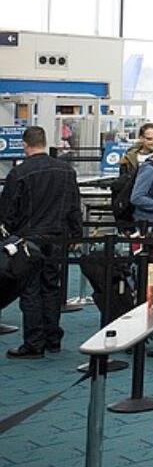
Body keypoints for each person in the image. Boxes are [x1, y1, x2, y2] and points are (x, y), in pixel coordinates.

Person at [1, 126, 82, 359]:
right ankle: (53, 338)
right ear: (45, 142)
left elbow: (8, 211)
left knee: (30, 290)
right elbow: (74, 205)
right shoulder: (67, 170)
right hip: (57, 237)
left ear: (25, 144)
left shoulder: (19, 173)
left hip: (28, 239)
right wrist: (75, 234)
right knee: (52, 287)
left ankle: (34, 344)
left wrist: (9, 235)